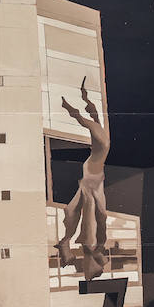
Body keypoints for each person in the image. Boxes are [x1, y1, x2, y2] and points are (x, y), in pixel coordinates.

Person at [54, 79, 111, 280]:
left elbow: (92, 111)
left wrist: (85, 96)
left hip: (96, 177)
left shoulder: (101, 129)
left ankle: (71, 244)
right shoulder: (98, 133)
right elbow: (80, 117)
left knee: (98, 215)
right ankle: (73, 245)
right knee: (92, 216)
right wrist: (68, 106)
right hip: (91, 178)